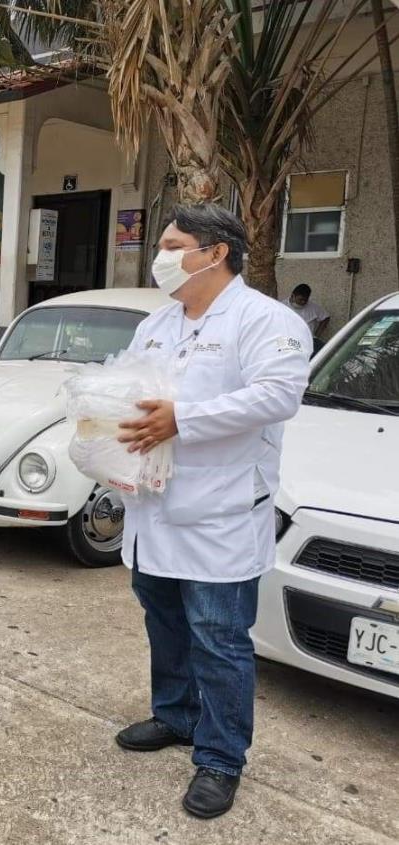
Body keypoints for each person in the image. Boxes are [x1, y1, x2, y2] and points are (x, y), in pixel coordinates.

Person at [115, 204, 311, 820]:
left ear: (215, 252)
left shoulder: (265, 320)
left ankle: (221, 757)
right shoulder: (158, 324)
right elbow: (129, 385)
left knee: (220, 637)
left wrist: (184, 420)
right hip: (153, 503)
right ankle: (174, 716)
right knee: (164, 621)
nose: (162, 257)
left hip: (219, 512)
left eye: (174, 245)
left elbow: (278, 395)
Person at [283, 283, 330, 353]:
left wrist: (317, 335)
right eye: (300, 299)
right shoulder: (282, 306)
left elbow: (326, 317)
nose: (303, 302)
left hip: (308, 341)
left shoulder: (313, 307)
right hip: (288, 341)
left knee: (325, 352)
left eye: (305, 300)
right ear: (293, 296)